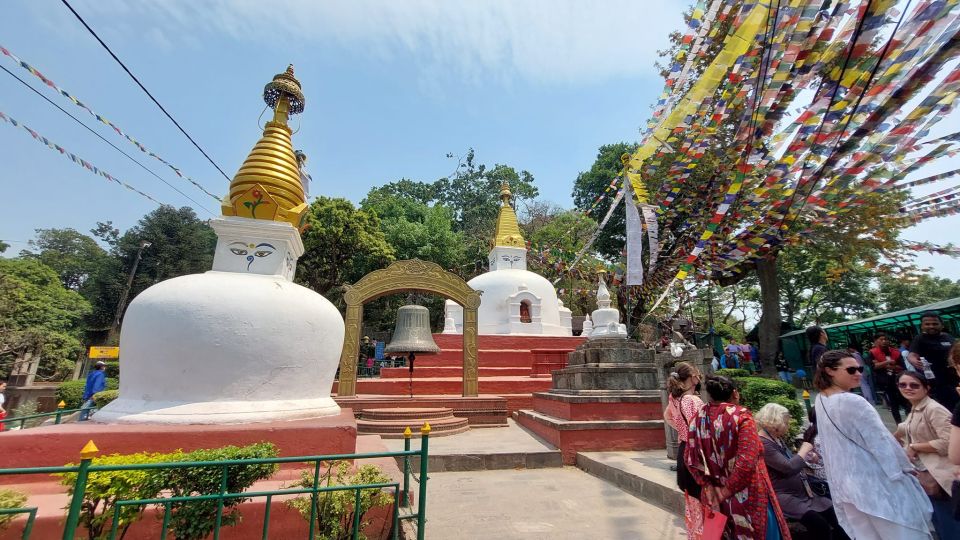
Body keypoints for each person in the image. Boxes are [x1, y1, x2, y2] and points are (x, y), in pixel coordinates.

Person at [814, 350, 932, 539]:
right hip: (877, 481)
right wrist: (904, 470)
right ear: (830, 371)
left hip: (845, 485)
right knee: (903, 531)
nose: (858, 373)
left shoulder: (820, 399)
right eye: (851, 370)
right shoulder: (854, 401)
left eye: (860, 369)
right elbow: (881, 442)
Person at [685, 375, 790, 539]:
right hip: (748, 494)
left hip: (715, 495)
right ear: (735, 394)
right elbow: (746, 462)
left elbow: (690, 459)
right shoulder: (741, 417)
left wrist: (709, 487)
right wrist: (727, 490)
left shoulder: (697, 419)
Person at [756, 403, 847, 539]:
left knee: (837, 516)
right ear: (775, 423)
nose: (788, 427)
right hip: (786, 496)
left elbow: (791, 460)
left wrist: (807, 457)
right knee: (819, 525)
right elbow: (788, 467)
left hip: (802, 492)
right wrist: (804, 450)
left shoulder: (775, 438)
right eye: (786, 423)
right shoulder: (764, 443)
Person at [892, 371, 957, 539]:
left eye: (914, 385)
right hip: (926, 476)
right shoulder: (915, 408)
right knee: (939, 522)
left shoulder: (934, 409)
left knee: (949, 524)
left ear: (926, 388)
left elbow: (948, 442)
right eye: (903, 385)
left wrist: (914, 446)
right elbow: (905, 428)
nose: (908, 388)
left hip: (942, 477)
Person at [663, 362, 705, 538]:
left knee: (693, 501)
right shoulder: (691, 400)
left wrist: (681, 429)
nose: (699, 376)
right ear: (692, 377)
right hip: (696, 450)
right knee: (702, 498)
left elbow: (667, 417)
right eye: (696, 373)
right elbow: (700, 427)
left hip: (684, 448)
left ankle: (696, 533)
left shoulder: (674, 398)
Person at [907, 312, 958, 411]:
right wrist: (913, 360)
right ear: (922, 326)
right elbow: (912, 354)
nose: (931, 326)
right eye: (927, 324)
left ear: (941, 325)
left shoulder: (948, 337)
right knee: (946, 410)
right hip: (936, 383)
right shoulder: (919, 339)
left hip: (954, 379)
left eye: (935, 324)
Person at [868, 333, 910, 424]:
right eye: (881, 339)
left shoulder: (896, 352)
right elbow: (873, 367)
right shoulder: (873, 352)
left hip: (899, 381)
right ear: (876, 341)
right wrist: (888, 362)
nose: (884, 341)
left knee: (906, 402)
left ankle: (911, 422)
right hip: (886, 382)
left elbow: (902, 367)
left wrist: (885, 365)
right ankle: (899, 424)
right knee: (893, 404)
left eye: (886, 339)